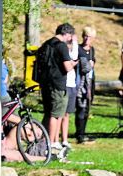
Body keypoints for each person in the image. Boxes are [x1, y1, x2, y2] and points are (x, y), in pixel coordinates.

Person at [37, 24, 78, 155]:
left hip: (45, 83)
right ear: (67, 34)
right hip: (58, 84)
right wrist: (74, 63)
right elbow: (67, 67)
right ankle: (51, 143)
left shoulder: (46, 44)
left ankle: (42, 141)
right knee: (56, 114)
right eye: (70, 36)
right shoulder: (61, 46)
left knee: (48, 113)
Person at [75, 26, 96, 144]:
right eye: (85, 36)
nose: (87, 39)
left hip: (90, 83)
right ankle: (79, 134)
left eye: (90, 37)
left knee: (87, 107)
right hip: (81, 83)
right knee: (81, 108)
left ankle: (83, 132)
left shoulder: (92, 50)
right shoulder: (78, 49)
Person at [60, 33, 79, 153]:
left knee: (67, 114)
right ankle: (55, 139)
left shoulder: (72, 50)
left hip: (72, 85)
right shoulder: (62, 51)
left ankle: (65, 139)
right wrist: (72, 63)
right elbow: (72, 59)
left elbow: (75, 56)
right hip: (65, 84)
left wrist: (75, 43)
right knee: (60, 114)